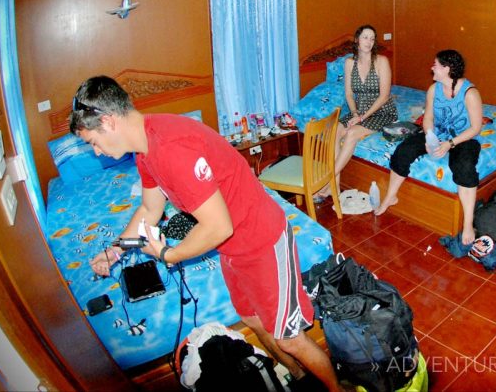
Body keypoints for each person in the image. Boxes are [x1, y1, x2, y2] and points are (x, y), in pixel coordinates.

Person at [73, 76, 342, 392]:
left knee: (290, 338)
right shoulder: (145, 150)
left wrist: (167, 254)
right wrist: (116, 250)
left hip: (263, 240)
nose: (97, 151)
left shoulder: (171, 149)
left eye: (92, 141)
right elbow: (149, 209)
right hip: (232, 249)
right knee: (253, 319)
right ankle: (298, 378)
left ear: (108, 121)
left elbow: (217, 226)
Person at [376, 50, 482, 245]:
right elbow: (428, 118)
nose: (431, 68)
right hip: (438, 134)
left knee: (464, 167)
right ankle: (390, 197)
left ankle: (468, 224)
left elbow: (476, 128)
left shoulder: (470, 93)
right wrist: (430, 136)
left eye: (436, 65)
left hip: (462, 139)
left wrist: (449, 144)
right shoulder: (434, 90)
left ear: (447, 69)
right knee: (403, 151)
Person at [317, 25, 397, 200]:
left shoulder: (381, 61)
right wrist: (354, 114)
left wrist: (362, 117)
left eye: (372, 38)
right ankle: (335, 188)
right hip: (358, 110)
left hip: (381, 111)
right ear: (357, 40)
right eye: (365, 37)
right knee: (335, 130)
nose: (368, 42)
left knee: (352, 133)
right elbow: (348, 93)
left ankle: (326, 181)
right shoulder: (349, 63)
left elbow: (384, 96)